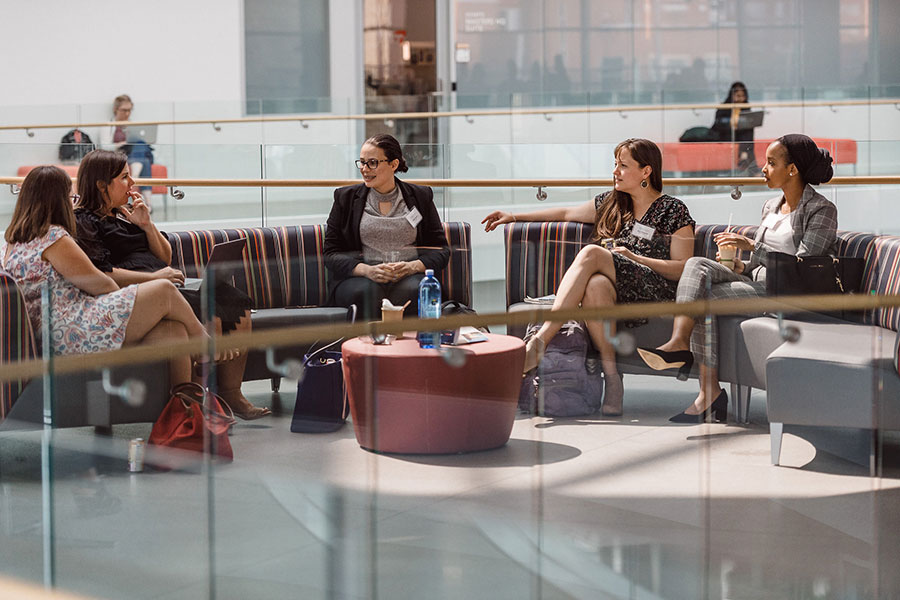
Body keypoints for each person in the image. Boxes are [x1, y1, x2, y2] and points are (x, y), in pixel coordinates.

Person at [482, 138, 696, 416]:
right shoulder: (611, 203)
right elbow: (566, 212)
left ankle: (540, 341)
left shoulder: (673, 210)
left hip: (654, 288)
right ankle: (613, 379)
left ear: (646, 172)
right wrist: (513, 216)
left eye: (623, 166)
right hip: (614, 289)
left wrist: (636, 259)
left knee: (592, 253)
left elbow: (683, 267)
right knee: (594, 284)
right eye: (615, 165)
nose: (615, 172)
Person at [637, 134, 836, 423]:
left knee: (702, 299)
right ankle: (680, 345)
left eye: (770, 163)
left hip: (786, 293)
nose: (763, 169)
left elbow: (802, 267)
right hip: (758, 282)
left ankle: (708, 392)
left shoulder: (821, 209)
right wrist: (740, 265)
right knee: (696, 264)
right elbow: (756, 265)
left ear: (792, 169)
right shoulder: (770, 206)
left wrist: (753, 245)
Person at [73, 150, 270, 420]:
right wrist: (155, 279)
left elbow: (165, 256)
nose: (132, 184)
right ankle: (201, 402)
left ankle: (232, 393)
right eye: (124, 177)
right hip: (142, 289)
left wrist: (146, 224)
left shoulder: (124, 215)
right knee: (206, 310)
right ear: (101, 184)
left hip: (163, 278)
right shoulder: (85, 221)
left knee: (236, 300)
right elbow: (102, 272)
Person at [0, 166, 209, 388]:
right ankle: (205, 345)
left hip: (51, 334)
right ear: (58, 200)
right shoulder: (54, 237)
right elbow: (101, 284)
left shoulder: (12, 242)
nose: (73, 203)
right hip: (71, 330)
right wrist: (139, 298)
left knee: (173, 331)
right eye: (71, 197)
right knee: (164, 291)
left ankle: (184, 409)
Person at [324, 134, 449, 321]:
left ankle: (408, 349)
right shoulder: (345, 198)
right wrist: (367, 270)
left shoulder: (420, 196)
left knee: (416, 290)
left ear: (393, 164)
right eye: (362, 163)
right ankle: (368, 349)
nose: (365, 170)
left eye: (372, 163)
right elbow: (330, 253)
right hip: (360, 278)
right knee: (366, 292)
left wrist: (411, 267)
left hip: (408, 276)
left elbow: (441, 250)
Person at [98, 94, 154, 197]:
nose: (127, 113)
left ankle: (135, 176)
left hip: (134, 155)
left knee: (140, 145)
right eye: (124, 110)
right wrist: (120, 145)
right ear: (116, 109)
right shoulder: (107, 126)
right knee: (144, 161)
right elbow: (104, 147)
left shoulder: (134, 126)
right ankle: (147, 203)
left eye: (129, 110)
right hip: (119, 155)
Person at [711, 82, 759, 174]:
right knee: (746, 137)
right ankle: (753, 169)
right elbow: (718, 124)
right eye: (737, 95)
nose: (740, 99)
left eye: (742, 96)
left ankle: (745, 155)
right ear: (732, 95)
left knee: (748, 131)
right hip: (726, 134)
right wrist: (733, 123)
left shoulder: (746, 107)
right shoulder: (725, 106)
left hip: (740, 137)